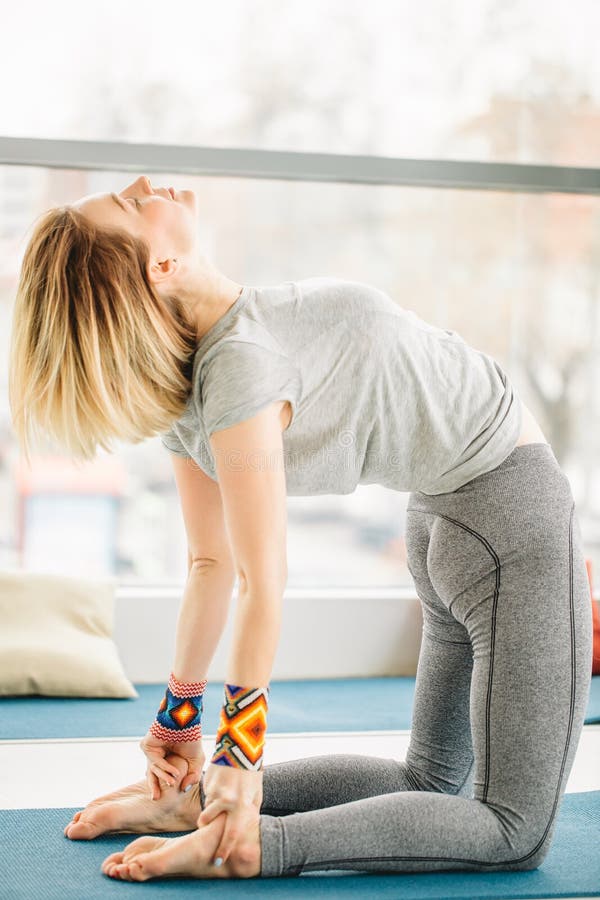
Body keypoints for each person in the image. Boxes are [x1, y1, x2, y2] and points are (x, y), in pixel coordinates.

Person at [9, 175, 592, 883]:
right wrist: (237, 758)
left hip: (446, 522)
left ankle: (194, 809)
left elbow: (209, 568)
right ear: (161, 267)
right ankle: (248, 843)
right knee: (513, 829)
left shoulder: (202, 373)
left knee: (433, 781)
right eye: (132, 204)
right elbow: (257, 580)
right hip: (507, 521)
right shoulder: (239, 369)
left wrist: (180, 726)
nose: (140, 184)